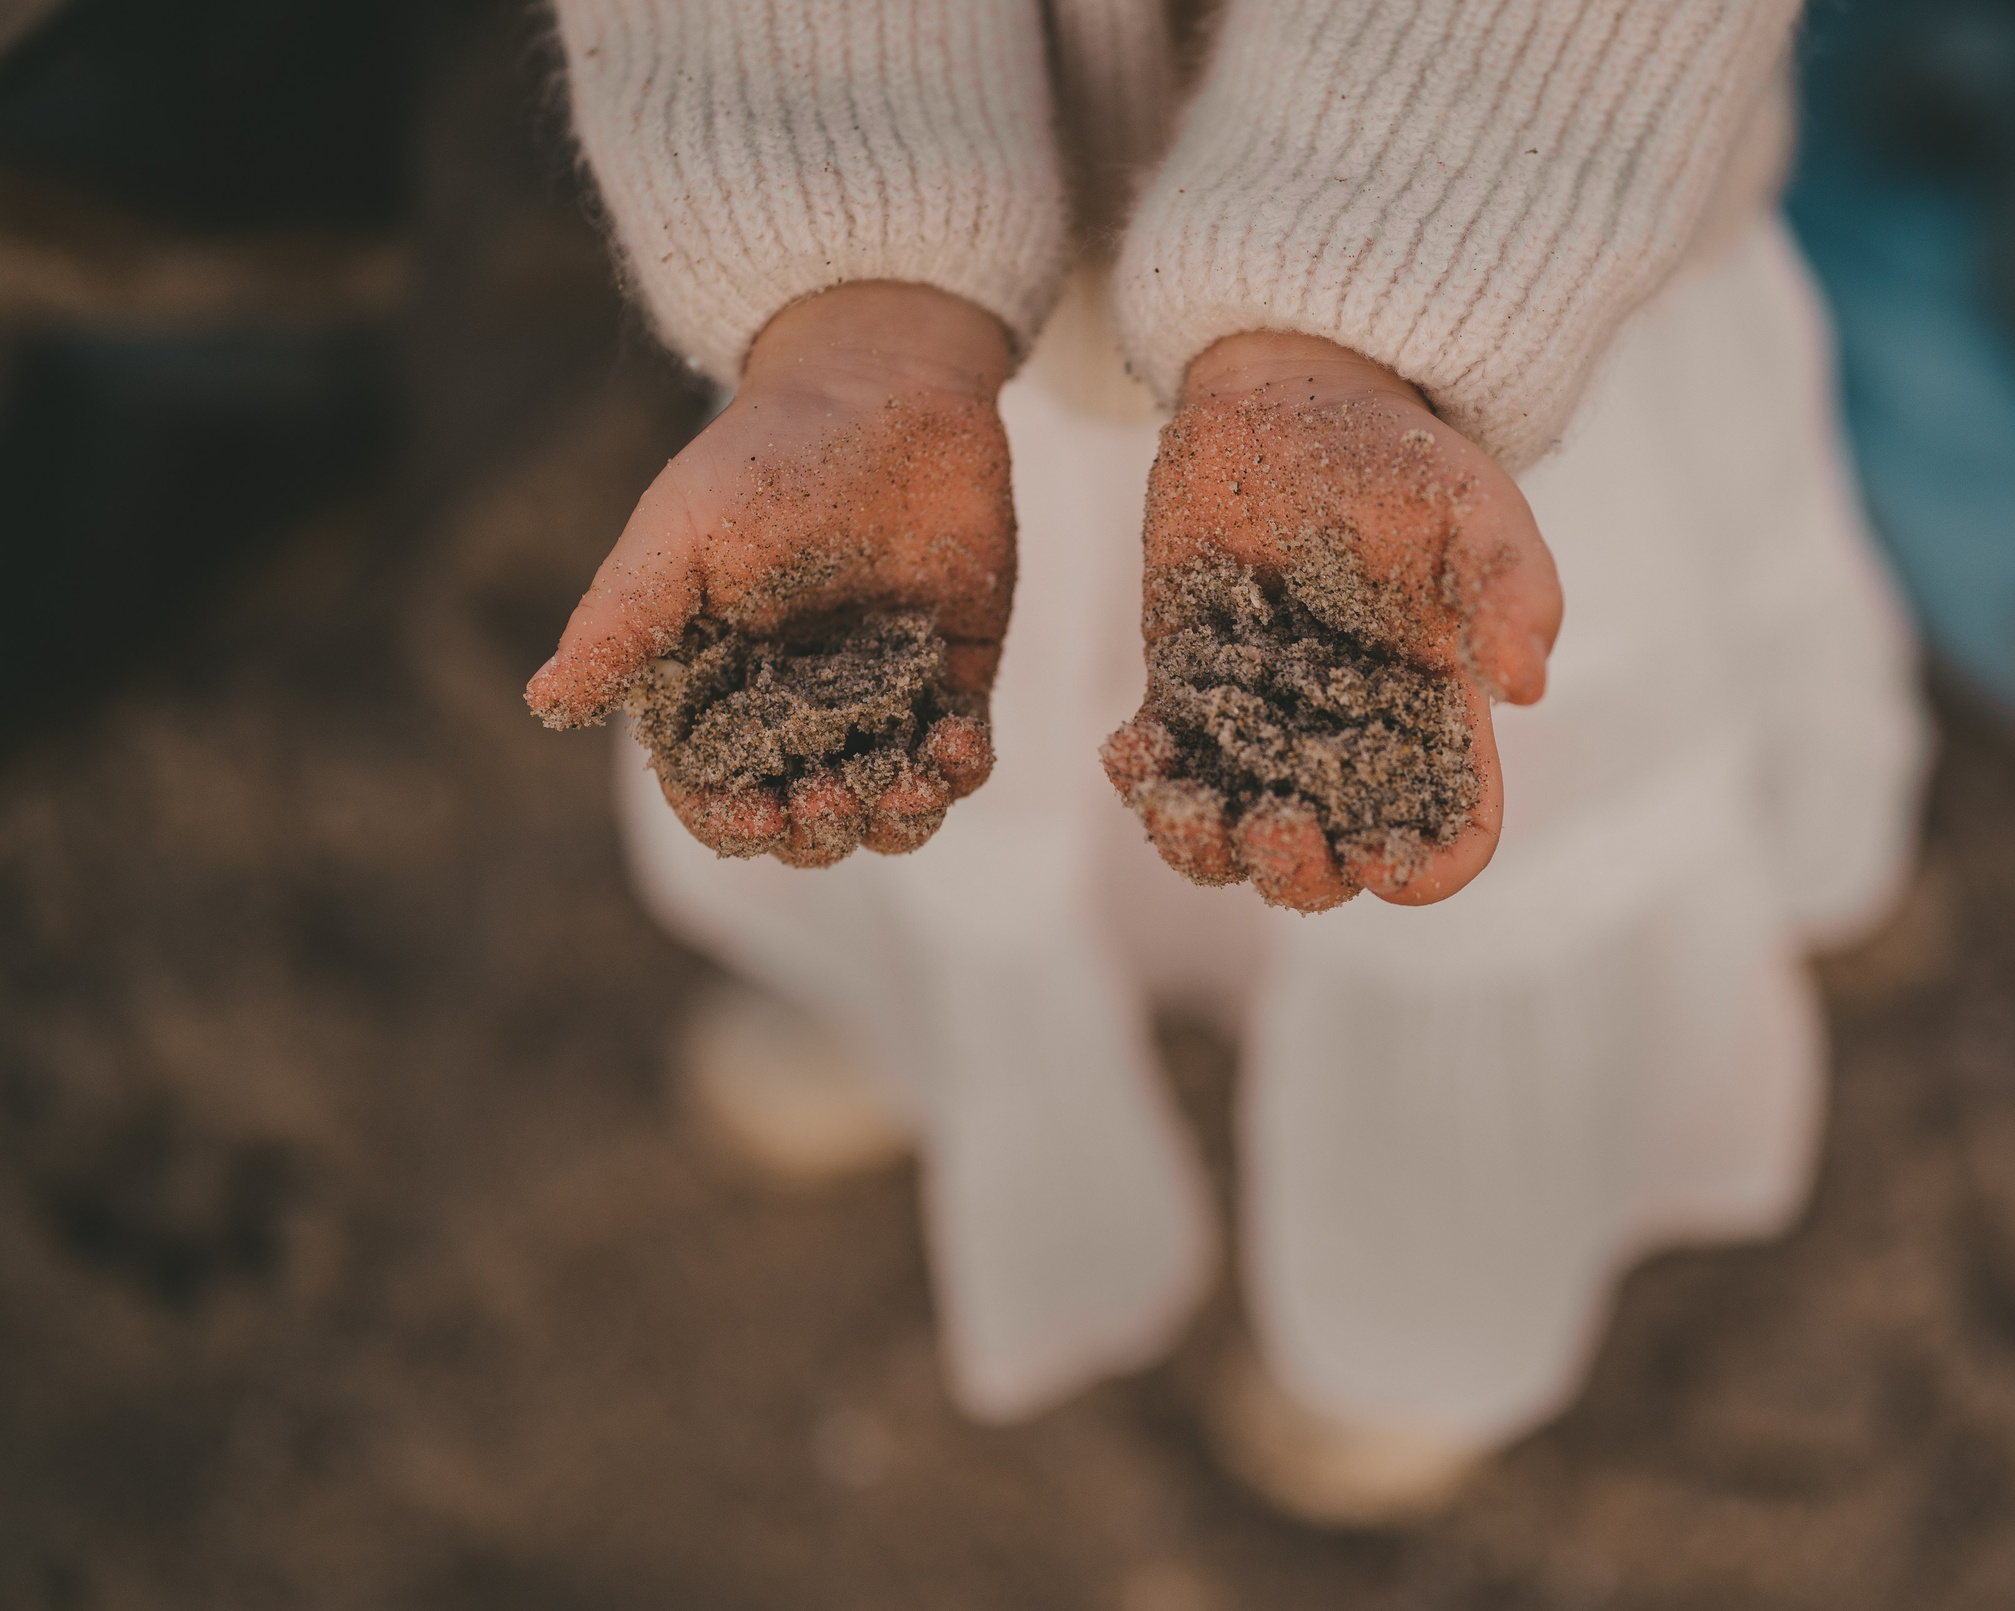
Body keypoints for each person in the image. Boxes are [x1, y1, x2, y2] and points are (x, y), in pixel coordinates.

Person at [532, 0, 1928, 1523]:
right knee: (933, 717)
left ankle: (1413, 1303)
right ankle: (932, 1021)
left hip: (1490, 291)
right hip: (927, 375)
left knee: (1445, 814)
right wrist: (852, 287)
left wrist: (1352, 319)